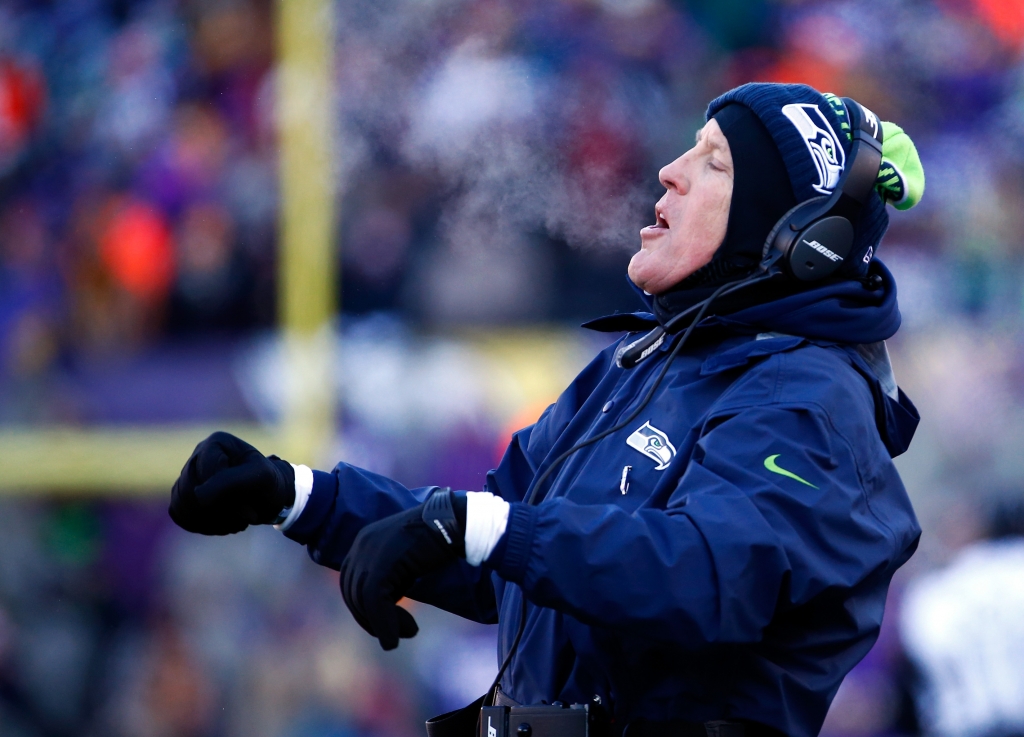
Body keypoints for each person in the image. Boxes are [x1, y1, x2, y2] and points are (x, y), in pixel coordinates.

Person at [169, 83, 926, 737]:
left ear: (796, 237)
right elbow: (499, 537)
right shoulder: (641, 363)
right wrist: (296, 495)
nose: (671, 172)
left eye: (715, 162)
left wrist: (476, 528)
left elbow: (705, 573)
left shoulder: (809, 397)